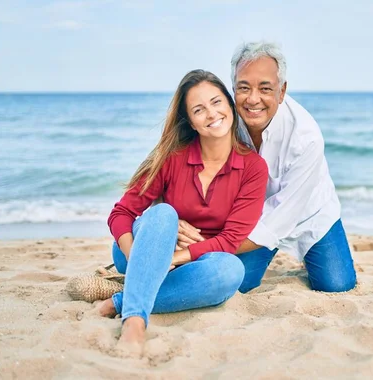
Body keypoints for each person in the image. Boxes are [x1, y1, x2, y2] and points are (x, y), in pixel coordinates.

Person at [97, 70, 268, 354]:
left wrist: (174, 258)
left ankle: (121, 300)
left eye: (216, 102)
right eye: (199, 109)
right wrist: (143, 258)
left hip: (196, 265)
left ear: (229, 104)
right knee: (164, 214)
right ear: (190, 121)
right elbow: (121, 214)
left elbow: (230, 240)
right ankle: (134, 321)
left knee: (230, 271)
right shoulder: (172, 156)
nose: (212, 114)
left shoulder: (253, 168)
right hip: (139, 251)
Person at [177, 42, 357, 293]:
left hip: (306, 212)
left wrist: (207, 243)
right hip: (243, 217)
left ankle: (310, 255)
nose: (253, 99)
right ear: (233, 89)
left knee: (337, 285)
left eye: (265, 88)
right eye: (243, 88)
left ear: (281, 92)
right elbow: (183, 171)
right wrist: (178, 219)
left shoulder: (306, 137)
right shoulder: (221, 119)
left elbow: (277, 222)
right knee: (238, 284)